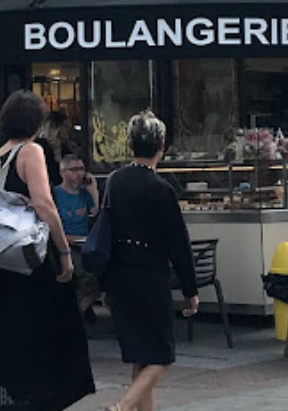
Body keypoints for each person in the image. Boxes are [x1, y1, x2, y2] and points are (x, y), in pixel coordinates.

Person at [0, 91, 94, 411]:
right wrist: (64, 251)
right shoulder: (31, 151)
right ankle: (37, 396)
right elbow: (44, 203)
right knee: (48, 329)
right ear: (35, 121)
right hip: (29, 259)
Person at [103, 111, 199, 411]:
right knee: (161, 356)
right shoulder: (161, 189)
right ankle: (121, 408)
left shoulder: (114, 181)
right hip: (150, 278)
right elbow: (178, 244)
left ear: (131, 144)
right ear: (161, 145)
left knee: (141, 354)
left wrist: (102, 283)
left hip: (119, 277)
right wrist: (190, 289)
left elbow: (104, 230)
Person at [54, 154, 101, 318]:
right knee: (83, 271)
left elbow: (95, 212)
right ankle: (74, 315)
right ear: (62, 173)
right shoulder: (56, 195)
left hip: (86, 244)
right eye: (74, 170)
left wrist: (93, 191)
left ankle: (78, 311)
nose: (79, 174)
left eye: (81, 169)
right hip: (65, 244)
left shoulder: (84, 193)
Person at [36, 109, 76, 186]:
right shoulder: (40, 146)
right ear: (55, 127)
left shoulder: (67, 147)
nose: (68, 130)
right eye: (65, 126)